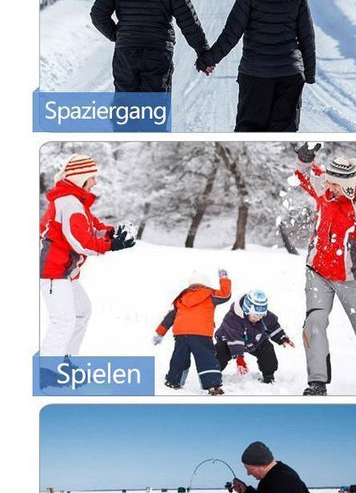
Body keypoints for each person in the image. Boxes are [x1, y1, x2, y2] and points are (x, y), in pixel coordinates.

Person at [294, 143, 356, 396]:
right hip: (317, 271)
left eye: (335, 185)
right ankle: (317, 382)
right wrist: (304, 159)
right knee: (314, 322)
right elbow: (305, 175)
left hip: (351, 278)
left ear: (347, 185)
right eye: (327, 183)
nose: (328, 188)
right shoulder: (325, 191)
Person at [196, 0, 316, 131]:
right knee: (284, 133)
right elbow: (307, 37)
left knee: (249, 131)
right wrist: (308, 73)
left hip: (256, 75)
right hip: (291, 76)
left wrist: (208, 60)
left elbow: (232, 32)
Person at [40, 154, 136, 359]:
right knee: (62, 321)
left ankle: (66, 359)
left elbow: (92, 228)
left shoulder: (75, 202)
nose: (95, 182)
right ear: (80, 177)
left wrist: (113, 233)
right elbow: (81, 242)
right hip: (52, 270)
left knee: (81, 311)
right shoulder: (69, 203)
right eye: (92, 177)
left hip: (64, 272)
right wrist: (113, 245)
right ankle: (47, 372)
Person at [153, 269, 231, 394]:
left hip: (181, 333)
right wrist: (224, 278)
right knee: (206, 358)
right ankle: (212, 385)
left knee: (179, 357)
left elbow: (169, 317)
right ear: (206, 283)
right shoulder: (210, 294)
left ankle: (173, 380)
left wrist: (159, 333)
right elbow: (225, 295)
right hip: (201, 333)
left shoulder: (180, 298)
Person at [214, 289, 295, 384]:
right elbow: (234, 339)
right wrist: (239, 358)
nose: (258, 318)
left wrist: (282, 338)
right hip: (229, 341)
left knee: (267, 348)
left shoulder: (263, 316)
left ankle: (268, 376)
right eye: (255, 316)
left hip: (254, 340)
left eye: (261, 316)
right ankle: (212, 373)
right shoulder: (233, 318)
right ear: (246, 310)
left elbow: (273, 325)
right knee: (220, 351)